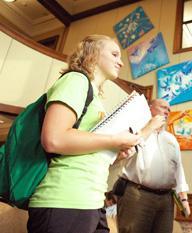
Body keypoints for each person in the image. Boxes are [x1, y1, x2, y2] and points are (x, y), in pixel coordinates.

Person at [27, 35, 164, 233]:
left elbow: (85, 152)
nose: (121, 61)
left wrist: (116, 153)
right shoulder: (75, 80)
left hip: (92, 200)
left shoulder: (95, 97)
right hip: (65, 200)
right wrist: (115, 139)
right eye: (114, 54)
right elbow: (53, 139)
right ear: (93, 54)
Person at [116, 99, 190, 233]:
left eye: (169, 109)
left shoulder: (171, 139)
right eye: (163, 107)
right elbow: (122, 153)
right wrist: (149, 127)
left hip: (167, 199)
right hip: (138, 195)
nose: (167, 111)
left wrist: (183, 198)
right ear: (149, 108)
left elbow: (178, 169)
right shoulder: (134, 131)